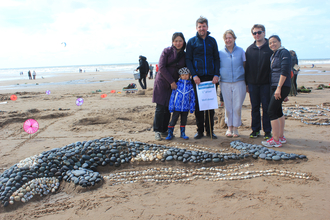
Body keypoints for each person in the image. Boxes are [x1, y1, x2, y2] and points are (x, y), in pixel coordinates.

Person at [186, 16, 220, 139]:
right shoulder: (192, 42)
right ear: (196, 28)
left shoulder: (212, 41)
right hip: (197, 79)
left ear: (207, 27)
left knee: (210, 105)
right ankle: (199, 131)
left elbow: (216, 58)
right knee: (199, 106)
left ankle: (210, 131)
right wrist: (194, 75)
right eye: (200, 26)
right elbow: (188, 60)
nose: (202, 28)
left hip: (211, 78)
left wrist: (216, 74)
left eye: (204, 26)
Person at [152, 32, 186, 141]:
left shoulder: (184, 55)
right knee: (160, 107)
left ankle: (164, 130)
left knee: (168, 107)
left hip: (174, 85)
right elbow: (161, 67)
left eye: (180, 41)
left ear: (183, 42)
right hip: (162, 82)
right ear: (172, 42)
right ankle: (157, 130)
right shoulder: (166, 51)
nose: (178, 43)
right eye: (176, 41)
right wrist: (171, 81)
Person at [262, 35, 291, 148]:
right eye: (270, 43)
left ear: (279, 42)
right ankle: (281, 136)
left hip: (280, 86)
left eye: (274, 42)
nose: (272, 44)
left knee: (271, 111)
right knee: (278, 111)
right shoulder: (275, 54)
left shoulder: (284, 52)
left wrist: (280, 88)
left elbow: (284, 70)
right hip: (275, 85)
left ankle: (275, 140)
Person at [245, 24, 273, 140]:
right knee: (255, 107)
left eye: (259, 32)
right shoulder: (250, 49)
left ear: (264, 33)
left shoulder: (270, 48)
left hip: (266, 83)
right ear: (252, 35)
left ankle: (267, 131)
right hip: (252, 84)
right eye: (255, 33)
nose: (257, 35)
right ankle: (255, 130)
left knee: (266, 108)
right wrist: (247, 83)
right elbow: (247, 68)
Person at [219, 29, 246, 138]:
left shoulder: (241, 51)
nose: (228, 40)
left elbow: (245, 65)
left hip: (239, 81)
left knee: (237, 106)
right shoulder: (220, 52)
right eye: (226, 38)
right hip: (225, 82)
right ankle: (229, 127)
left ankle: (236, 128)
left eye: (230, 38)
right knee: (228, 107)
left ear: (234, 39)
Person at [166, 67, 195, 140]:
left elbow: (192, 98)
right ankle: (170, 133)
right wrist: (171, 106)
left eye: (187, 75)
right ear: (180, 76)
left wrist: (192, 107)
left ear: (189, 75)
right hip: (177, 107)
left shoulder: (190, 86)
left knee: (184, 120)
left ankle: (182, 133)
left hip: (186, 107)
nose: (185, 76)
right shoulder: (177, 85)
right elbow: (172, 96)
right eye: (183, 75)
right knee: (173, 120)